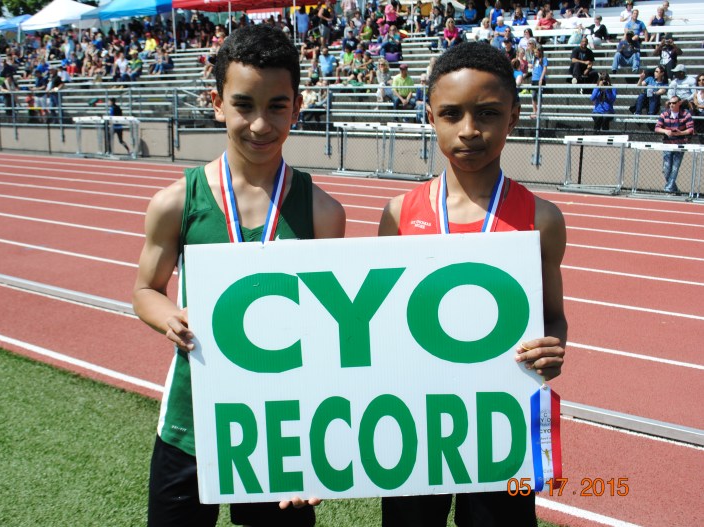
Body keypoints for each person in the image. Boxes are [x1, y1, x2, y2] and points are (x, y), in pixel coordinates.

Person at [132, 24, 346, 527]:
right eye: (244, 104)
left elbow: (330, 332)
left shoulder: (322, 213)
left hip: (283, 432)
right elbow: (145, 289)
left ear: (297, 106)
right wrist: (171, 318)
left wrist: (317, 447)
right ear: (218, 102)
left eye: (277, 106)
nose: (260, 123)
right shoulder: (175, 202)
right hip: (191, 424)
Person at [377, 41, 567, 527]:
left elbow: (553, 314)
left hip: (498, 428)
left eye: (487, 113)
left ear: (514, 116)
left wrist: (553, 347)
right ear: (430, 116)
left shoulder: (541, 218)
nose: (469, 131)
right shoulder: (400, 213)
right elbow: (381, 321)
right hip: (414, 424)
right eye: (451, 114)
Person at [655, 96, 694, 194]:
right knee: (666, 168)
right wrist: (666, 131)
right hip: (667, 144)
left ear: (679, 103)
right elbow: (657, 128)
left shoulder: (686, 114)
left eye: (674, 103)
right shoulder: (664, 114)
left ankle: (668, 189)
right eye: (670, 103)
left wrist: (680, 133)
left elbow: (691, 129)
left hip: (680, 144)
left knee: (675, 167)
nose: (671, 105)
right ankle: (674, 188)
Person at [530, 45, 548, 118]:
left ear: (540, 52)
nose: (535, 54)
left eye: (537, 52)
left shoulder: (544, 59)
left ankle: (538, 111)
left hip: (539, 79)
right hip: (534, 79)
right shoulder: (534, 59)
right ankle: (534, 111)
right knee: (533, 95)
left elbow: (544, 69)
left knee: (539, 96)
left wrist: (541, 78)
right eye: (534, 52)